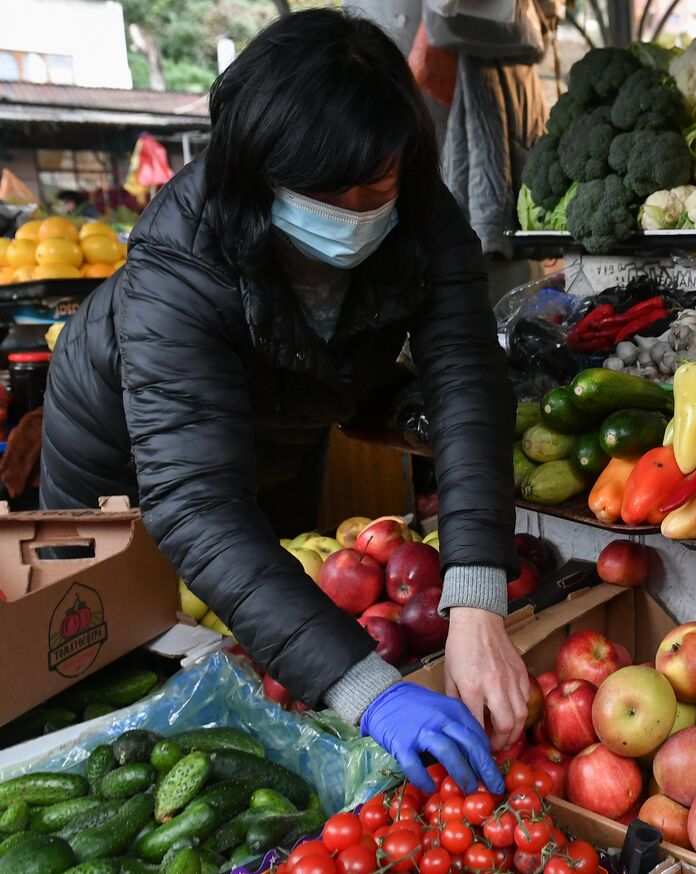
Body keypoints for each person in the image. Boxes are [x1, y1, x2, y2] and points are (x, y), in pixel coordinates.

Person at [39, 9, 527, 795]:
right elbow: (194, 503)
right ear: (260, 172)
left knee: (263, 628)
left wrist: (475, 600)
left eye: (379, 182)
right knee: (121, 676)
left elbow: (467, 380)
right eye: (328, 191)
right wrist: (369, 690)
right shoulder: (180, 258)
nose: (358, 210)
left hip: (282, 433)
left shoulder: (423, 218)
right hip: (120, 458)